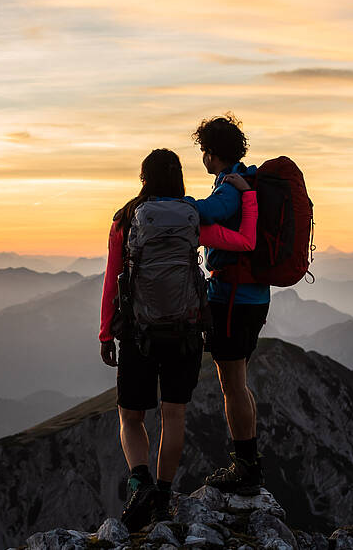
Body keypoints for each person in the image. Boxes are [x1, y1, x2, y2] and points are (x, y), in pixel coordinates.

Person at [99, 148, 256, 530]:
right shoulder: (191, 219)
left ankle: (140, 482)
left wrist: (106, 332)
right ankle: (165, 495)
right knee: (174, 414)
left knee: (131, 416)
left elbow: (112, 279)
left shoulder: (126, 219)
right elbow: (244, 242)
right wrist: (248, 198)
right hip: (186, 332)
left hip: (139, 333)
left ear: (144, 179)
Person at [190, 113, 270, 495]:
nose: (202, 157)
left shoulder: (230, 188)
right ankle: (248, 461)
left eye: (204, 150)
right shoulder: (247, 178)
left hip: (231, 299)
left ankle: (245, 466)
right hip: (254, 296)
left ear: (212, 153)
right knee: (239, 383)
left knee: (232, 385)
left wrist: (173, 202)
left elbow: (208, 212)